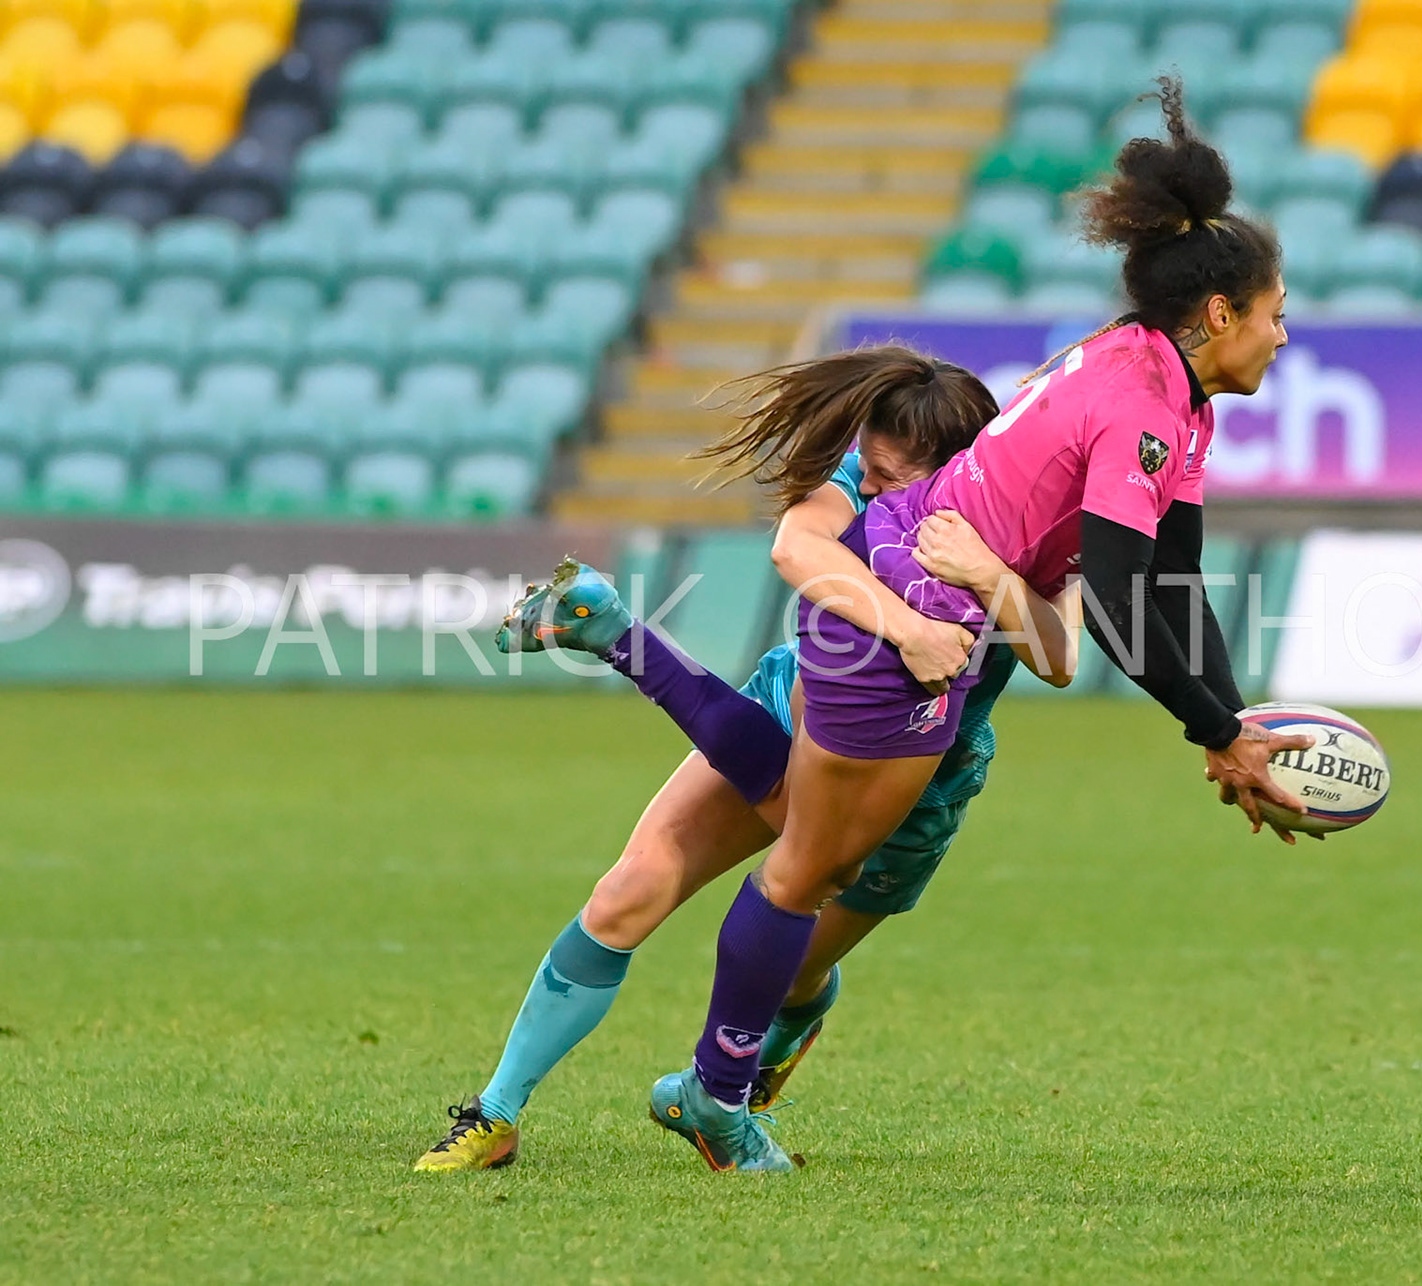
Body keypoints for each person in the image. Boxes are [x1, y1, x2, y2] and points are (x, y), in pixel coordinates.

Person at [647, 78, 1316, 1176]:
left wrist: (1229, 724)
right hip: (910, 614)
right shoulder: (1142, 405)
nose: (1283, 335)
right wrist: (1215, 731)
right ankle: (711, 1095)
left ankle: (725, 1072)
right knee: (805, 870)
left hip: (946, 615)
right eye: (1275, 312)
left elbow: (1172, 582)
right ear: (1218, 315)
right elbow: (1116, 605)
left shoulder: (1164, 385)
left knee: (837, 873)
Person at [413, 347, 1079, 1172]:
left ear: (955, 471)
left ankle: (763, 1053)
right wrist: (909, 628)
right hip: (797, 703)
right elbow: (796, 544)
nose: (871, 492)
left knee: (792, 970)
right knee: (628, 891)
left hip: (921, 780)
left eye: (889, 479)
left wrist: (987, 574)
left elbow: (1058, 656)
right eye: (867, 472)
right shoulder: (858, 478)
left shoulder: (1029, 518)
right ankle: (497, 1112)